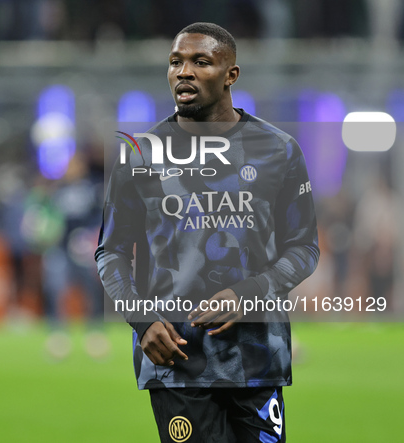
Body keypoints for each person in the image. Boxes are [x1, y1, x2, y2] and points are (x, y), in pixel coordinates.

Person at [95, 22, 319, 442]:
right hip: (176, 359)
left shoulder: (279, 150)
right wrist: (141, 320)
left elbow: (304, 248)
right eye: (176, 62)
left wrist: (249, 292)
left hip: (256, 360)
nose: (184, 72)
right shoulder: (139, 154)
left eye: (201, 62)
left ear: (231, 75)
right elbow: (111, 252)